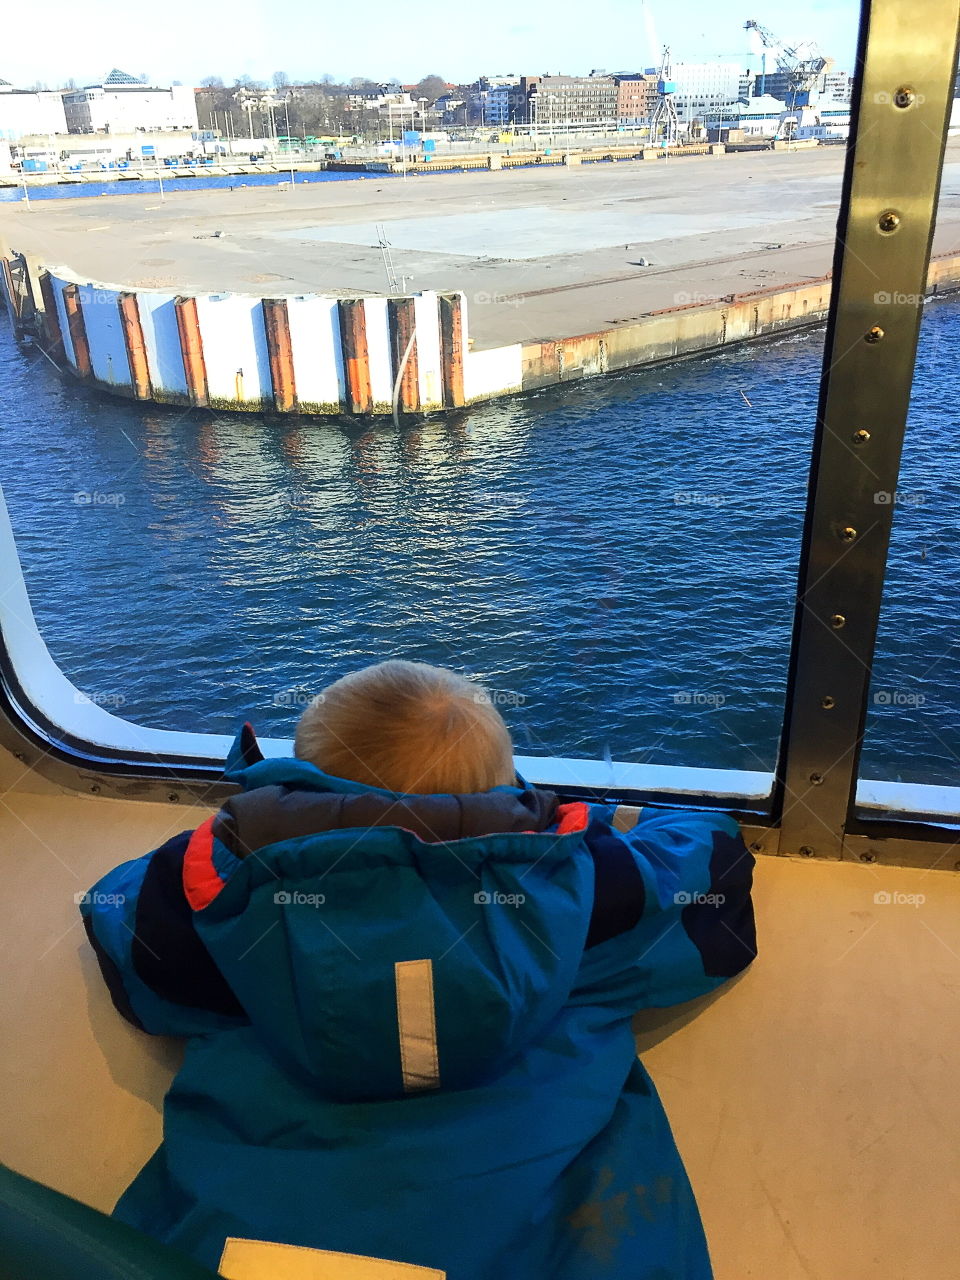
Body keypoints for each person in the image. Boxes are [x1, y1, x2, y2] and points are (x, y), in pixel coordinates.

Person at [80, 659, 757, 1279]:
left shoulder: (204, 907)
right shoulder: (588, 890)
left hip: (246, 1246)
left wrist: (247, 839)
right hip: (568, 1247)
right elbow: (713, 870)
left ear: (300, 784)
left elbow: (118, 923)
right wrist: (579, 824)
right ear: (505, 784)